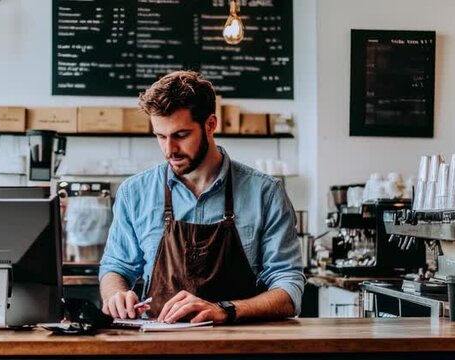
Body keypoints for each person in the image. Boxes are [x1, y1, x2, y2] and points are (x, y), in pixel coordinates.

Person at [99, 71, 304, 325]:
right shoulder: (135, 192)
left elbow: (289, 290)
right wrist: (116, 295)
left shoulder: (265, 193)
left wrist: (225, 309)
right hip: (157, 348)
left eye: (181, 135)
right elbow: (116, 269)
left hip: (240, 348)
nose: (169, 150)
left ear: (210, 125)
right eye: (160, 136)